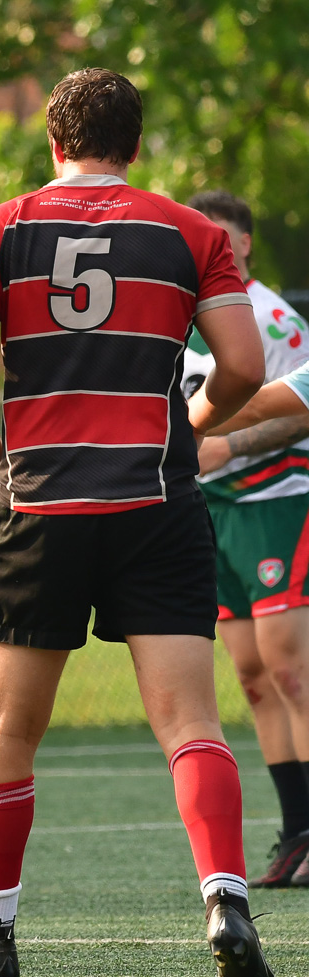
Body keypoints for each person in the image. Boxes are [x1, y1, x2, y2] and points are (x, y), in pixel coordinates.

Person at [0, 68, 271, 977]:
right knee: (192, 723)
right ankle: (227, 907)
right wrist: (197, 424)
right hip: (156, 504)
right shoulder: (190, 230)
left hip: (39, 504)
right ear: (137, 143)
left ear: (52, 141)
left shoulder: (0, 228)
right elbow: (244, 363)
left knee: (6, 729)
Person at [176, 191, 309, 889]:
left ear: (246, 244)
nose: (214, 249)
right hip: (213, 509)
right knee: (254, 680)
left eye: (224, 238)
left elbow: (297, 412)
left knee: (290, 666)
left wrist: (227, 445)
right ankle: (295, 834)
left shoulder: (270, 318)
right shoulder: (177, 312)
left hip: (278, 500)